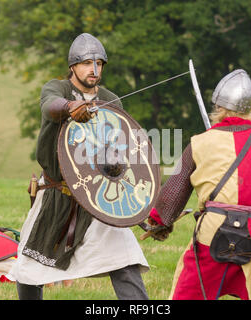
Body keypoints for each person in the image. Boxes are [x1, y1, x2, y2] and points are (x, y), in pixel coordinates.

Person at [10, 33, 149, 300]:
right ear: (73, 66)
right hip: (57, 195)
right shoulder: (57, 89)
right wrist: (71, 106)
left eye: (99, 63)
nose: (93, 69)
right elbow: (49, 107)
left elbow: (121, 154)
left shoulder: (112, 100)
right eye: (86, 62)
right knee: (28, 272)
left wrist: (139, 207)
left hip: (99, 197)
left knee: (126, 262)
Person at [148, 69, 251, 300]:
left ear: (218, 107)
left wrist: (160, 222)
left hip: (212, 235)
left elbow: (172, 193)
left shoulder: (199, 142)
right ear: (249, 108)